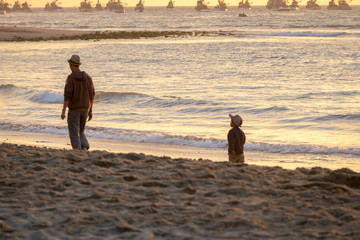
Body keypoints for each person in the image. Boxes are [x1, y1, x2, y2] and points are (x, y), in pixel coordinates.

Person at [61, 55, 95, 150]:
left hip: (74, 109)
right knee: (81, 131)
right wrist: (90, 110)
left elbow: (67, 95)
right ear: (78, 65)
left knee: (74, 132)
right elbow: (92, 95)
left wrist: (63, 110)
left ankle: (77, 150)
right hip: (85, 108)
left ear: (71, 65)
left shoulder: (71, 78)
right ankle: (84, 147)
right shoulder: (88, 77)